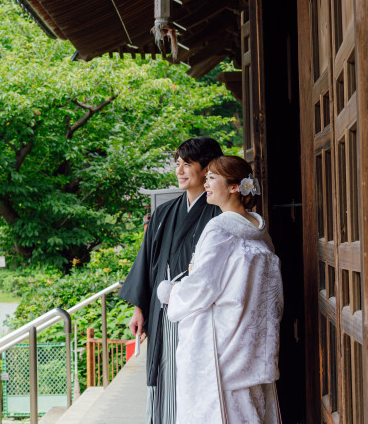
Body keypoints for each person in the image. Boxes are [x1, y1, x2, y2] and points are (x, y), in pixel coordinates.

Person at [166, 155, 283, 424]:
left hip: (224, 345)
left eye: (212, 178)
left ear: (234, 187)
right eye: (205, 178)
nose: (206, 184)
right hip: (253, 343)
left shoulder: (220, 228)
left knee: (225, 413)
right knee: (252, 411)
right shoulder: (259, 230)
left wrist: (172, 294)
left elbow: (203, 286)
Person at [118, 136, 223, 424]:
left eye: (187, 164)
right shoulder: (164, 213)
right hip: (163, 313)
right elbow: (147, 263)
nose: (179, 170)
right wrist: (140, 307)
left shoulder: (219, 211)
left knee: (195, 380)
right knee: (165, 376)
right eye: (178, 164)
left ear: (207, 168)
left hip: (200, 315)